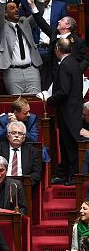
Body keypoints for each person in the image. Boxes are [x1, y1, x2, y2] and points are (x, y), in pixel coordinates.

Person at [26, 0, 88, 90]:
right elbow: (40, 21)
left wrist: (77, 70)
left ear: (68, 25)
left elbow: (85, 59)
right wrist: (32, 4)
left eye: (62, 20)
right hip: (52, 76)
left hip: (69, 77)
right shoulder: (53, 34)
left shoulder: (77, 41)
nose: (59, 21)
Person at [0, 0, 44, 94]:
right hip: (13, 72)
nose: (16, 10)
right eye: (12, 8)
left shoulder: (25, 22)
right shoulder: (1, 27)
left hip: (32, 70)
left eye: (17, 8)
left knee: (35, 102)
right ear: (6, 14)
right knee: (17, 105)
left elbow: (38, 14)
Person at [47, 39, 83, 186]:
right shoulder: (74, 62)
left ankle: (73, 175)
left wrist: (49, 100)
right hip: (73, 110)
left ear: (57, 49)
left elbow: (63, 91)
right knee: (67, 143)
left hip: (67, 111)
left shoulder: (65, 65)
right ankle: (65, 173)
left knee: (69, 144)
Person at [0, 121, 41, 187]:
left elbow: (37, 173)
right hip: (0, 185)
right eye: (13, 133)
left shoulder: (32, 151)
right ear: (8, 135)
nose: (16, 136)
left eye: (20, 133)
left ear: (24, 137)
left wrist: (25, 184)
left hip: (24, 187)